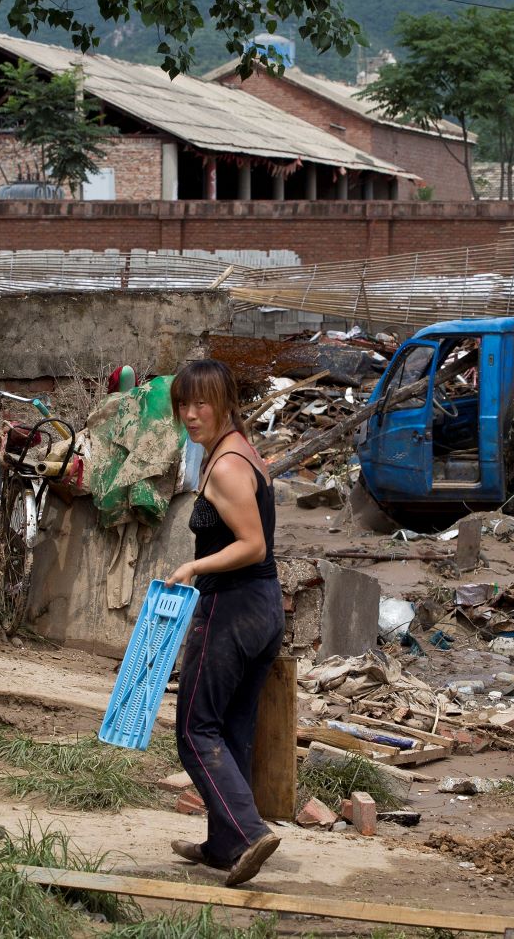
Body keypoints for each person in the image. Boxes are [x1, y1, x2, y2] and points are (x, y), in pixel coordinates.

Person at [165, 359, 284, 887]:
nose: (190, 415)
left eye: (201, 404)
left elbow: (252, 544)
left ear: (225, 403)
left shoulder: (228, 465)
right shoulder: (238, 451)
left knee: (194, 728)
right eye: (183, 405)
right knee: (230, 730)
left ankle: (249, 831)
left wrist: (193, 566)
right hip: (261, 609)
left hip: (233, 609)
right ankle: (221, 846)